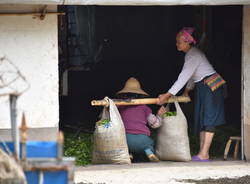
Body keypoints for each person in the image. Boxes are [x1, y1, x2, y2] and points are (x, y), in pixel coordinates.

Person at [157, 27, 225, 162]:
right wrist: (187, 91)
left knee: (208, 119)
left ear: (187, 42)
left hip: (210, 87)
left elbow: (183, 77)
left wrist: (167, 95)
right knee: (202, 119)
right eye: (176, 42)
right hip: (203, 86)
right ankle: (202, 153)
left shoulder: (193, 55)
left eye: (179, 42)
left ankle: (204, 154)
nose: (177, 44)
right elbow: (191, 76)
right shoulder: (191, 55)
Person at [117, 77, 166, 162]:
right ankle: (149, 151)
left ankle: (128, 154)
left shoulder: (121, 107)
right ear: (140, 96)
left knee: (123, 145)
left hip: (125, 140)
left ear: (124, 95)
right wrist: (159, 115)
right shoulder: (145, 108)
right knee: (150, 144)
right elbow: (155, 124)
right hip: (143, 140)